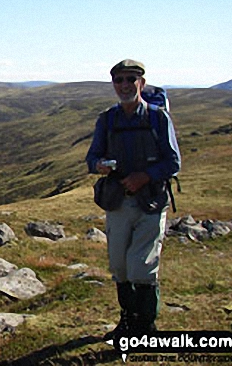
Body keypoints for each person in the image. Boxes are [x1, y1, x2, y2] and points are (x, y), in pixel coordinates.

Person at [86, 59, 181, 339]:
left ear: (142, 82)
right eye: (119, 80)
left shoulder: (157, 118)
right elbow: (91, 158)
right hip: (118, 201)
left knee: (143, 265)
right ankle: (127, 322)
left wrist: (145, 176)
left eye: (131, 79)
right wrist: (99, 165)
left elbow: (173, 162)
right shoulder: (107, 119)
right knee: (119, 265)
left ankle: (146, 326)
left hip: (150, 201)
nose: (125, 85)